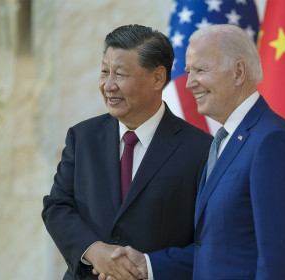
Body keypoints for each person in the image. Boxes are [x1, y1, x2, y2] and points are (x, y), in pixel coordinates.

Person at [104, 24, 285, 279]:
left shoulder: (272, 141)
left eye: (200, 70)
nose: (189, 83)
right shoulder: (224, 140)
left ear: (238, 72)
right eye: (189, 71)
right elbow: (215, 249)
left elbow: (281, 262)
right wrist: (147, 264)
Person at [41, 24, 213, 280]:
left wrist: (147, 266)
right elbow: (57, 206)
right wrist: (94, 251)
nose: (108, 85)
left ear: (157, 78)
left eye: (120, 74)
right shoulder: (82, 137)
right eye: (104, 72)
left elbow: (209, 242)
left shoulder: (201, 150)